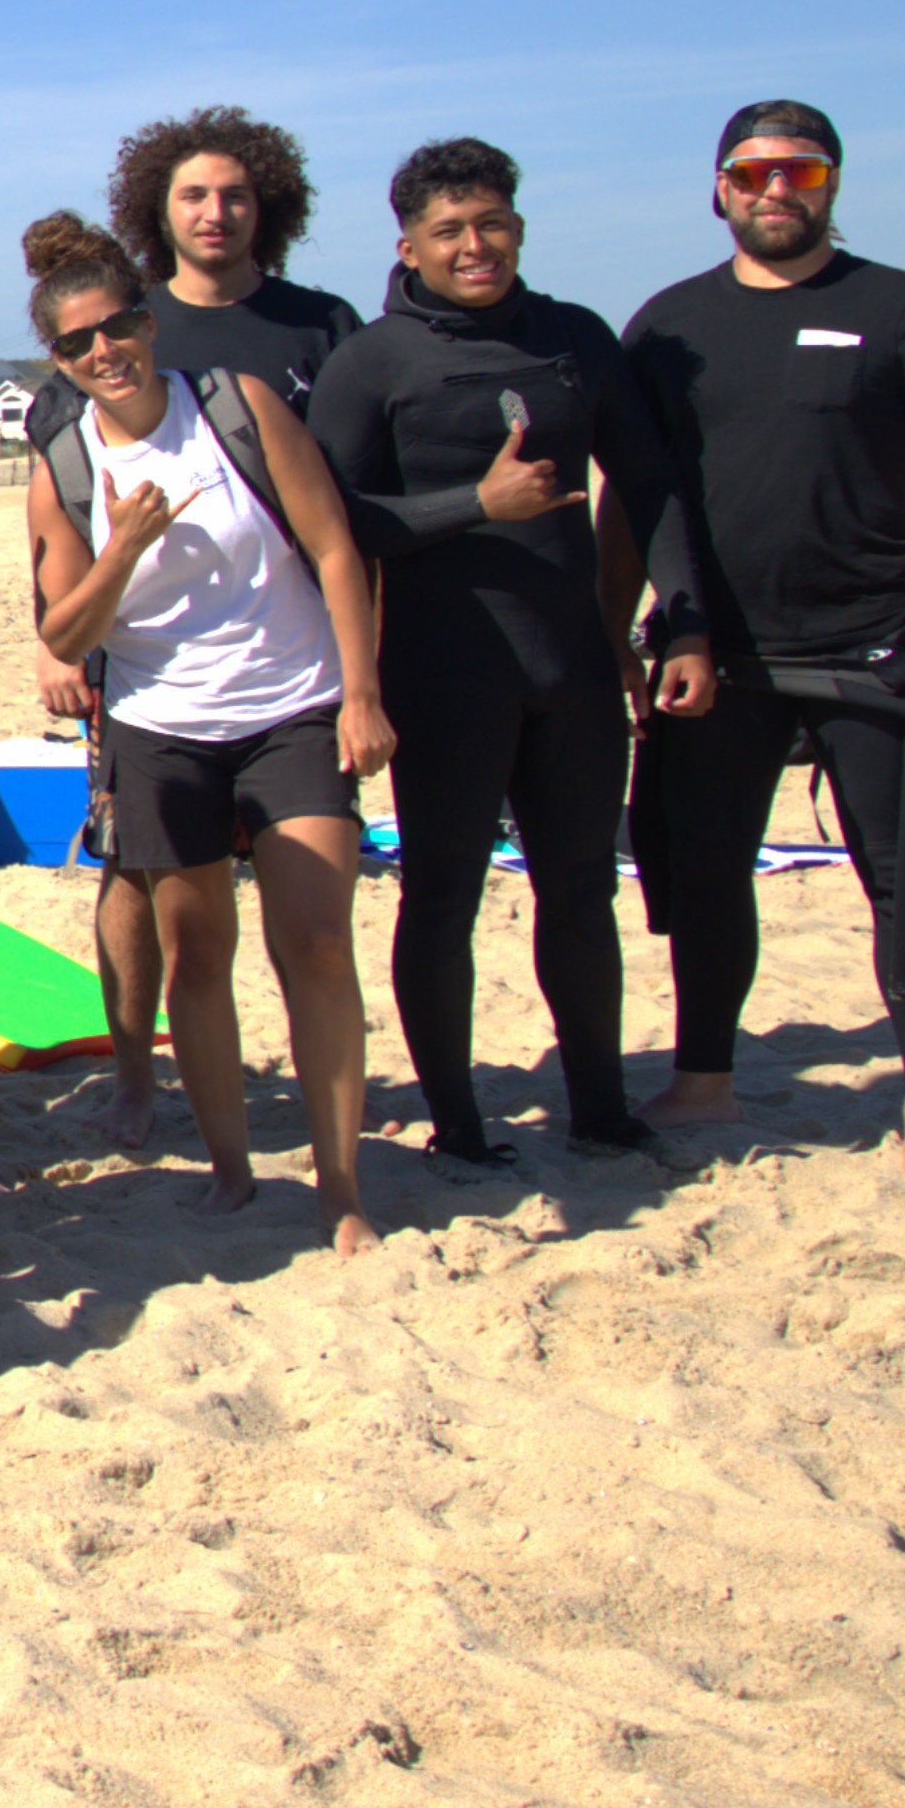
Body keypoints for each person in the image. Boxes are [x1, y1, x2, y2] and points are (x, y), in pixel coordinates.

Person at [621, 101, 905, 1181]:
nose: (775, 190)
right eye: (752, 172)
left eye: (801, 172)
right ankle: (704, 1080)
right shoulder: (667, 326)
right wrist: (619, 637)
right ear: (718, 187)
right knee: (698, 875)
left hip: (882, 644)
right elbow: (631, 498)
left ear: (830, 185)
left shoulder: (900, 307)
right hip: (715, 655)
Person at [302, 138, 691, 1163]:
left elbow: (647, 486)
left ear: (515, 226)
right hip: (444, 673)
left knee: (579, 889)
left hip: (568, 666)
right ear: (408, 245)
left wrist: (675, 617)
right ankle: (457, 1123)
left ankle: (599, 1104)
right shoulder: (373, 361)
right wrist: (476, 504)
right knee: (443, 893)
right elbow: (331, 522)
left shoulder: (571, 340)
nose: (475, 247)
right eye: (449, 232)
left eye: (492, 225)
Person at [8, 219, 391, 1254]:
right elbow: (63, 631)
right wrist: (122, 549)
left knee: (314, 939)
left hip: (291, 706)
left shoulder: (234, 405)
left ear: (147, 319)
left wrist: (360, 694)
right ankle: (229, 1168)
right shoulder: (63, 465)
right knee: (194, 956)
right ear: (57, 360)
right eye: (79, 342)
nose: (105, 351)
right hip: (160, 725)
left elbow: (335, 549)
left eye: (120, 325)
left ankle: (340, 1187)